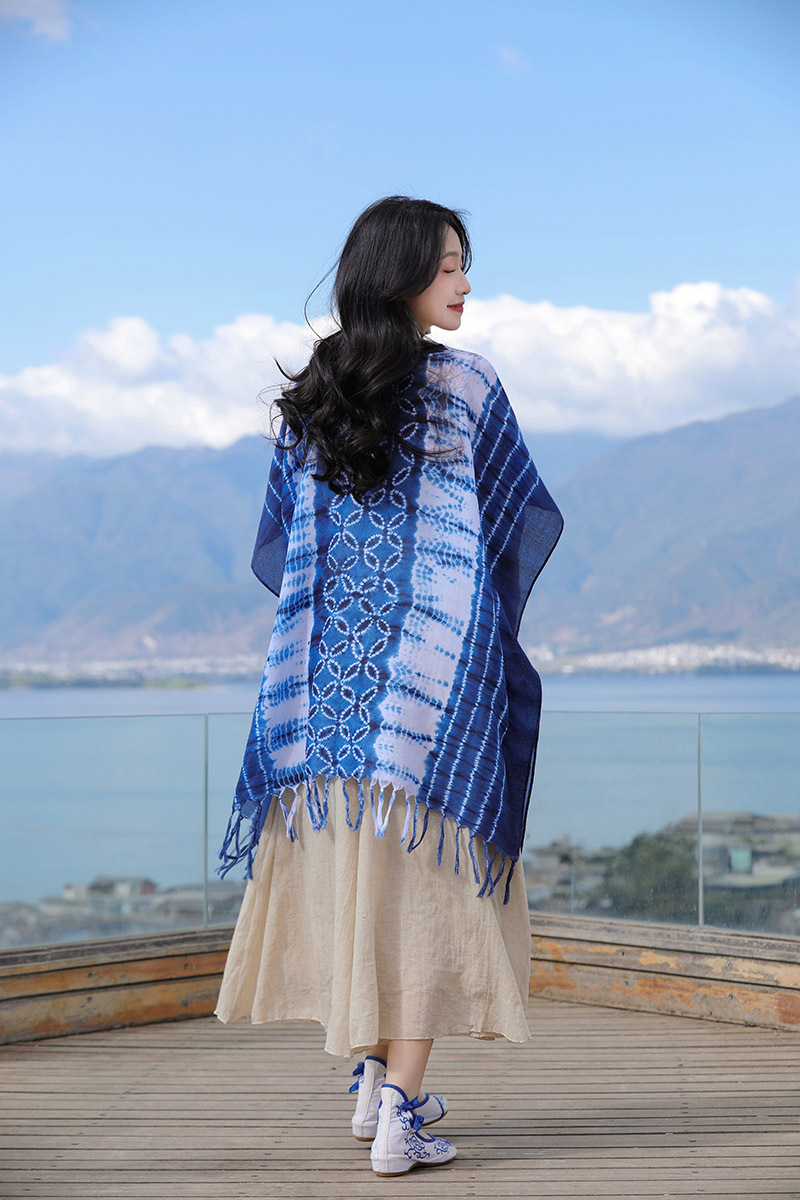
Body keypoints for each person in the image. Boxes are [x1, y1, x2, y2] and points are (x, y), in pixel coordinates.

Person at [214, 195, 564, 1177]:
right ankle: (402, 1117)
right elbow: (515, 522)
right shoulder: (466, 385)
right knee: (430, 903)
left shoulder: (314, 396)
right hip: (434, 688)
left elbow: (282, 548)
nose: (465, 283)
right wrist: (456, 614)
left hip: (320, 696)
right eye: (448, 265)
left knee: (363, 890)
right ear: (401, 272)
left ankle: (372, 1082)